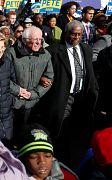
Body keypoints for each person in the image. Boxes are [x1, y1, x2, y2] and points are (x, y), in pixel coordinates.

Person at [39, 20, 99, 169]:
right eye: (73, 34)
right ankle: (59, 159)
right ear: (66, 33)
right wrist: (42, 77)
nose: (76, 38)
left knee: (78, 129)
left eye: (79, 34)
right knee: (61, 128)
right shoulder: (54, 51)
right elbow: (43, 70)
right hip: (63, 96)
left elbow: (89, 73)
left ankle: (75, 160)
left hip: (82, 97)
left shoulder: (86, 49)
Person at [6, 26, 53, 137]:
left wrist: (33, 94)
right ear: (25, 40)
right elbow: (3, 76)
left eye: (40, 39)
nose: (38, 42)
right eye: (34, 39)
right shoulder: (11, 53)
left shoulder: (45, 55)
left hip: (33, 104)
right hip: (12, 103)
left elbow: (49, 77)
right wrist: (18, 91)